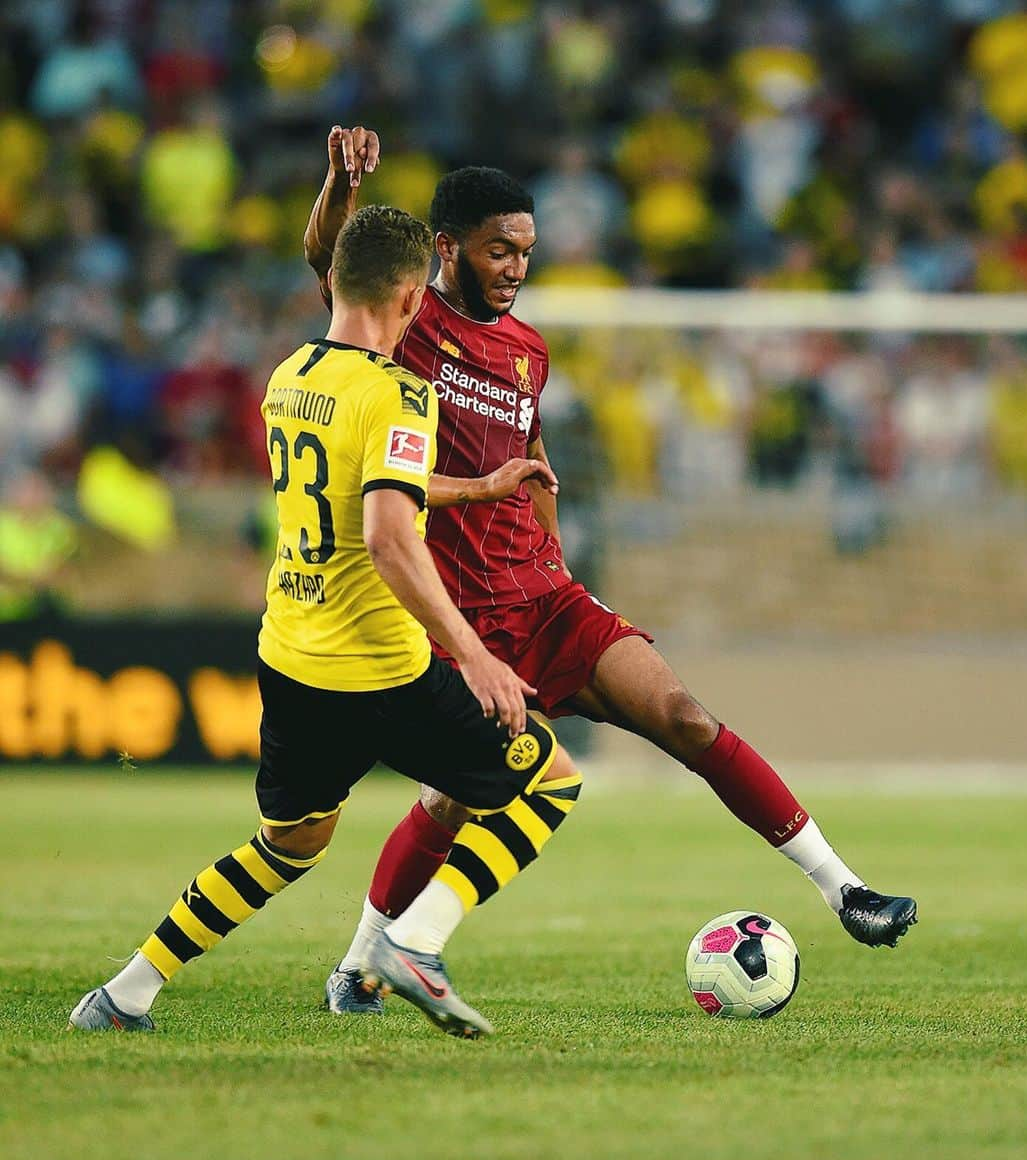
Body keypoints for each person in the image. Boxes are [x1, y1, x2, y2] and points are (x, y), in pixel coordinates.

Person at [305, 126, 917, 1021]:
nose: (515, 267)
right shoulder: (404, 323)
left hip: (547, 597)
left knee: (685, 716)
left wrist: (556, 558)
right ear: (446, 250)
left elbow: (533, 450)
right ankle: (362, 959)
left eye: (525, 251)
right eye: (498, 250)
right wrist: (340, 183)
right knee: (450, 801)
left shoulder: (529, 349)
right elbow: (329, 257)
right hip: (460, 621)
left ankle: (843, 889)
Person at [68, 203, 584, 1039]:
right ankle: (414, 941)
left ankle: (125, 992)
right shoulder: (400, 393)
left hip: (292, 655)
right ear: (415, 297)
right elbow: (386, 534)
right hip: (381, 667)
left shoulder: (290, 375)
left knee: (287, 846)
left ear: (338, 284)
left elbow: (366, 491)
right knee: (552, 777)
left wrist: (478, 489)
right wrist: (475, 657)